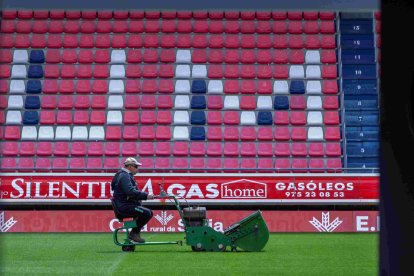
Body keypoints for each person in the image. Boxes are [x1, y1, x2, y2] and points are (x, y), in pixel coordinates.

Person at [110, 157, 155, 243]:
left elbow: (132, 192)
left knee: (148, 212)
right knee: (146, 213)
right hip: (124, 207)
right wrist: (147, 196)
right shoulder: (124, 176)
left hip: (125, 205)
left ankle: (135, 232)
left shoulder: (124, 175)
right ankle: (134, 233)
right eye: (136, 167)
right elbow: (130, 192)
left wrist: (144, 196)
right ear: (130, 166)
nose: (137, 169)